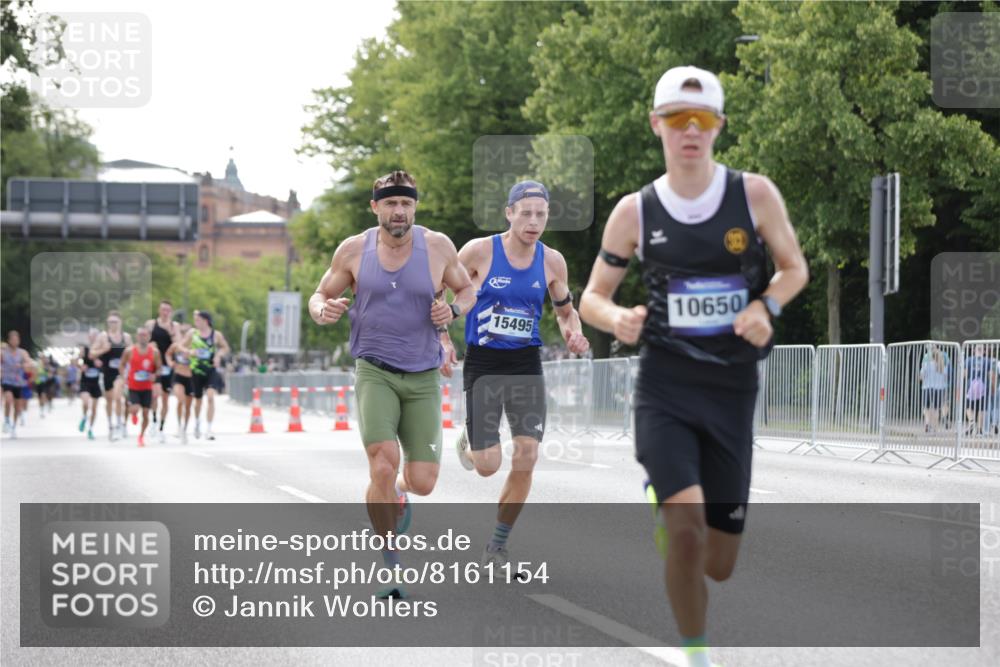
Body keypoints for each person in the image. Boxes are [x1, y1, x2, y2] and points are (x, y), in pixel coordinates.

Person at [578, 66, 808, 667]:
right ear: (657, 125)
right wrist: (615, 318)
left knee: (720, 562)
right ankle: (696, 655)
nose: (689, 130)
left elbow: (794, 268)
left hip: (731, 389)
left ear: (718, 128)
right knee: (685, 531)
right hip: (666, 389)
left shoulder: (753, 195)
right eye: (677, 119)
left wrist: (766, 304)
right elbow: (592, 296)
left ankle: (682, 524)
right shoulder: (636, 212)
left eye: (701, 119)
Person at [309, 169, 475, 599]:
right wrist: (320, 310)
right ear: (375, 207)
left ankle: (402, 494)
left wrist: (453, 312)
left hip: (422, 375)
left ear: (414, 207)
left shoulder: (438, 246)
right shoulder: (353, 250)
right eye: (390, 203)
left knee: (422, 481)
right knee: (382, 463)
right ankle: (390, 564)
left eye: (406, 203)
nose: (398, 211)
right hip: (375, 370)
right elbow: (319, 294)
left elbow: (467, 290)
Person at [446, 180, 590, 568]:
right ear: (509, 213)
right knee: (488, 466)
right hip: (484, 362)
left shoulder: (552, 261)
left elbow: (564, 312)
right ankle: (470, 440)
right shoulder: (479, 252)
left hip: (526, 362)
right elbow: (447, 296)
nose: (533, 220)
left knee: (527, 455)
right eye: (525, 212)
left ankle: (497, 545)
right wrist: (443, 337)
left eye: (540, 214)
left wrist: (574, 333)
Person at [180, 310, 230, 441]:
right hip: (196, 370)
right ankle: (197, 423)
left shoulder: (216, 335)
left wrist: (218, 355)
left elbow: (225, 347)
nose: (196, 322)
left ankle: (209, 428)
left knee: (210, 397)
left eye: (198, 320)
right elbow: (180, 346)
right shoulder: (192, 333)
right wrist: (190, 351)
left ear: (205, 321)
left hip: (210, 370)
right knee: (198, 401)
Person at [89, 311, 132, 440]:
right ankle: (111, 425)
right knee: (109, 400)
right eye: (110, 322)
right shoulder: (103, 337)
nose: (113, 324)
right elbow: (92, 353)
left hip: (121, 373)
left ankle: (120, 424)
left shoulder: (126, 337)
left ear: (120, 322)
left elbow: (133, 353)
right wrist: (103, 350)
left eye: (115, 321)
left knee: (118, 397)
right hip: (107, 372)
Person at [120, 327, 162, 447]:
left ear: (148, 337)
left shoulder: (154, 352)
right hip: (133, 386)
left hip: (147, 387)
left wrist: (155, 375)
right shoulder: (129, 351)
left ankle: (141, 436)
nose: (142, 337)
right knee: (135, 409)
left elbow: (159, 368)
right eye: (140, 335)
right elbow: (122, 365)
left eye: (145, 335)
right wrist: (123, 377)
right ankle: (132, 414)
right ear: (137, 337)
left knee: (145, 413)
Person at [147, 300, 179, 444]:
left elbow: (178, 344)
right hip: (154, 365)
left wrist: (172, 334)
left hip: (168, 365)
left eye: (168, 310)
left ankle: (161, 428)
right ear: (159, 310)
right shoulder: (151, 324)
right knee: (155, 395)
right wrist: (150, 345)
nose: (165, 312)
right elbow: (144, 342)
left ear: (170, 312)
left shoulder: (174, 326)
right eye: (163, 309)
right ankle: (153, 420)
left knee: (165, 398)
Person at [166, 324, 195, 444]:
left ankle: (185, 428)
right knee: (180, 399)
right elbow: (168, 353)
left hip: (191, 378)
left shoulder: (194, 347)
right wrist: (170, 362)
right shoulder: (177, 345)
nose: (184, 334)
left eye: (186, 332)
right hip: (178, 375)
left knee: (188, 406)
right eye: (182, 332)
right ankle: (179, 425)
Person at [2, 332, 32, 438]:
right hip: (7, 381)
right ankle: (6, 421)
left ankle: (14, 427)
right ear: (9, 340)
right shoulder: (3, 352)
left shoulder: (22, 352)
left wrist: (23, 365)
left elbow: (29, 363)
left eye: (16, 339)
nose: (15, 341)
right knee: (8, 400)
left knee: (17, 406)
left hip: (19, 382)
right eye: (12, 339)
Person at [963, 343, 995, 437]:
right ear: (984, 351)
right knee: (982, 409)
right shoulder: (988, 361)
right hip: (984, 386)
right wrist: (993, 387)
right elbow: (990, 375)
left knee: (968, 406)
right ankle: (980, 431)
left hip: (970, 386)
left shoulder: (968, 360)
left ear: (974, 350)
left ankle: (972, 421)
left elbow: (964, 375)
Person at [77, 329, 103, 440]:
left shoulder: (102, 350)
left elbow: (105, 365)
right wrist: (80, 366)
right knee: (86, 402)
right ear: (89, 337)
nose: (94, 338)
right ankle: (83, 417)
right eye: (92, 336)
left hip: (96, 382)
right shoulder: (85, 349)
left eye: (96, 336)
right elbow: (76, 360)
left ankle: (91, 429)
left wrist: (100, 365)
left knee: (94, 409)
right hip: (85, 381)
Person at [920, 345, 949, 433]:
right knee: (936, 409)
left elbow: (921, 376)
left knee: (926, 408)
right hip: (938, 389)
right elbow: (945, 377)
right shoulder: (942, 367)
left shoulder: (926, 364)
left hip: (927, 388)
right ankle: (935, 429)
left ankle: (927, 423)